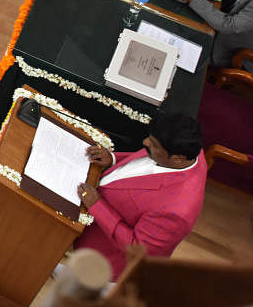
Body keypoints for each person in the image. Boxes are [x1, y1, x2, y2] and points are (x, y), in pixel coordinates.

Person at [73, 113, 207, 278]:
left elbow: (136, 247)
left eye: (154, 144)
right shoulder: (189, 150)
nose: (145, 143)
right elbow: (143, 163)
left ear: (178, 159)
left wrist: (97, 205)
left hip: (103, 258)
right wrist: (113, 159)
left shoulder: (177, 212)